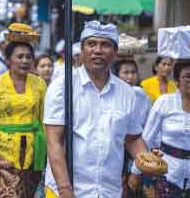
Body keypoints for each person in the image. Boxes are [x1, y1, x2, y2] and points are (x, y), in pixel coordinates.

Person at [44, 20, 149, 198]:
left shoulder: (127, 93)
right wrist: (65, 190)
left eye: (105, 45)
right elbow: (53, 142)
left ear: (115, 52)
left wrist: (148, 159)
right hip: (67, 190)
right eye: (91, 44)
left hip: (109, 190)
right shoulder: (62, 87)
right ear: (82, 50)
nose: (98, 50)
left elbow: (132, 138)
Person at [0, 23, 47, 198]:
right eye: (20, 56)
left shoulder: (39, 84)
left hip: (34, 154)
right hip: (4, 156)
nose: (24, 61)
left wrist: (48, 153)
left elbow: (44, 119)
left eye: (28, 57)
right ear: (9, 59)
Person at [129, 60, 190, 198]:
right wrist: (136, 171)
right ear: (177, 80)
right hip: (166, 174)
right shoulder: (165, 102)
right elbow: (147, 137)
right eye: (187, 76)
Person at [113, 59, 152, 198]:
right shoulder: (112, 94)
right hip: (117, 149)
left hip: (137, 148)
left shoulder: (141, 95)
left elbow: (148, 125)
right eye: (126, 72)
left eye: (133, 72)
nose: (130, 77)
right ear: (117, 75)